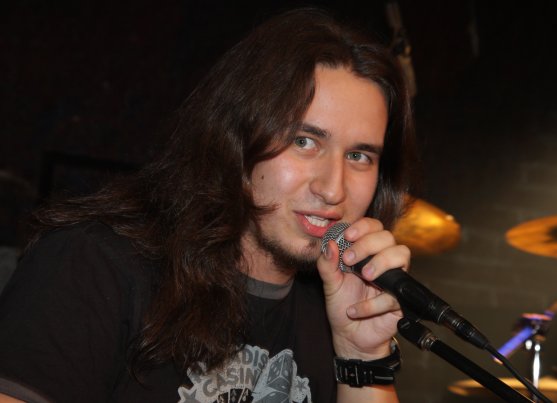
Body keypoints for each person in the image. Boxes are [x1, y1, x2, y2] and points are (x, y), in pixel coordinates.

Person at [0, 7, 418, 403]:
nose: (332, 189)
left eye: (359, 156)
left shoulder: (335, 308)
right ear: (237, 137)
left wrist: (363, 357)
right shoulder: (94, 264)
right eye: (304, 141)